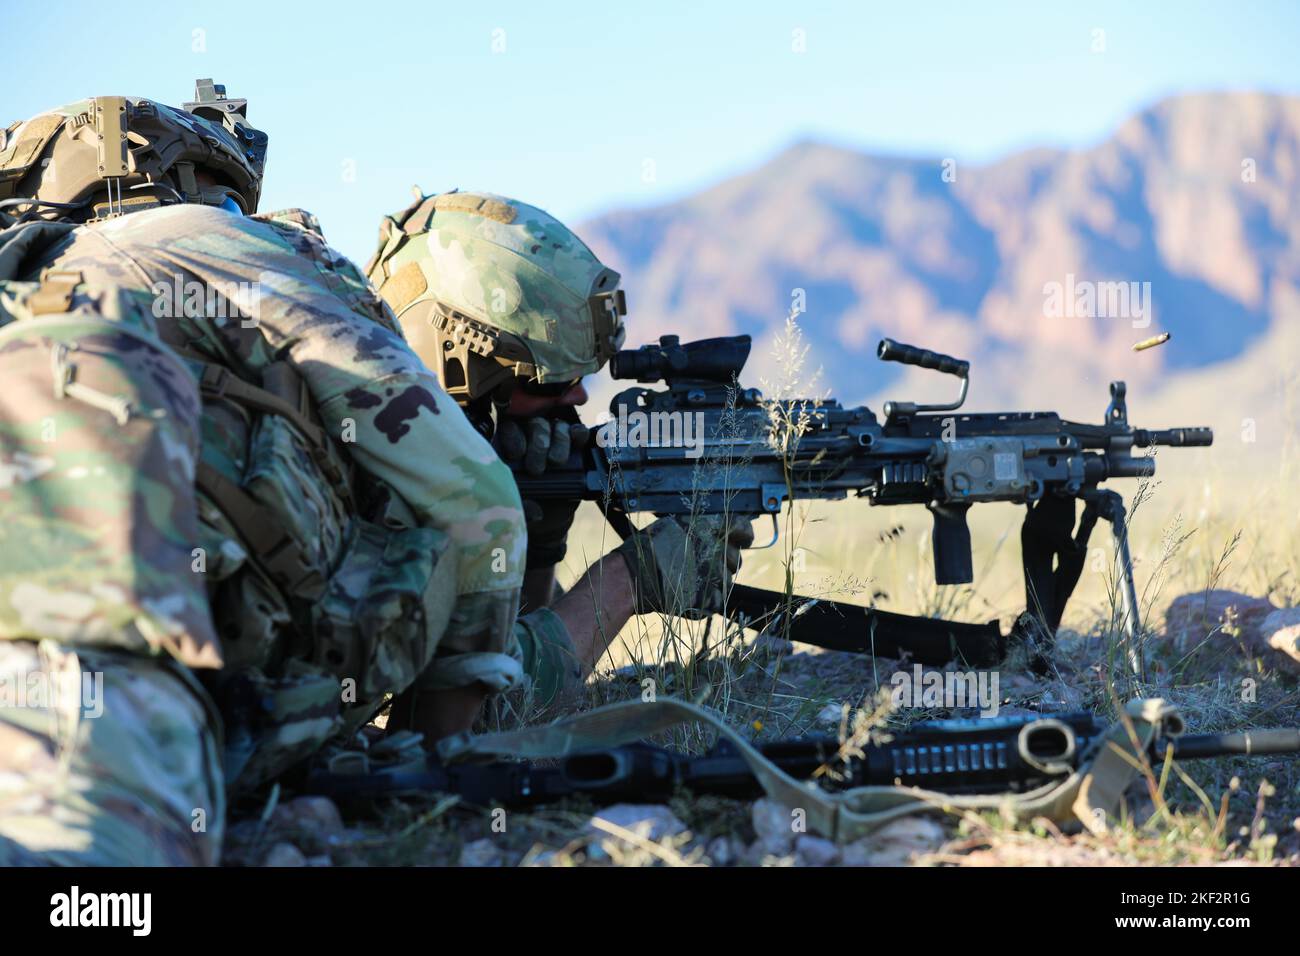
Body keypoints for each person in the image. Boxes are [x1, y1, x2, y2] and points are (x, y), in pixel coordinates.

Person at [0, 82, 526, 864]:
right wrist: (429, 772)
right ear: (185, 183)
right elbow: (474, 501)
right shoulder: (190, 234)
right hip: (87, 695)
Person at [365, 190, 754, 714]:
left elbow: (502, 644)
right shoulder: (349, 489)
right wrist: (632, 580)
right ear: (457, 374)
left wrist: (536, 537)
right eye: (554, 382)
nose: (577, 397)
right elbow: (485, 724)